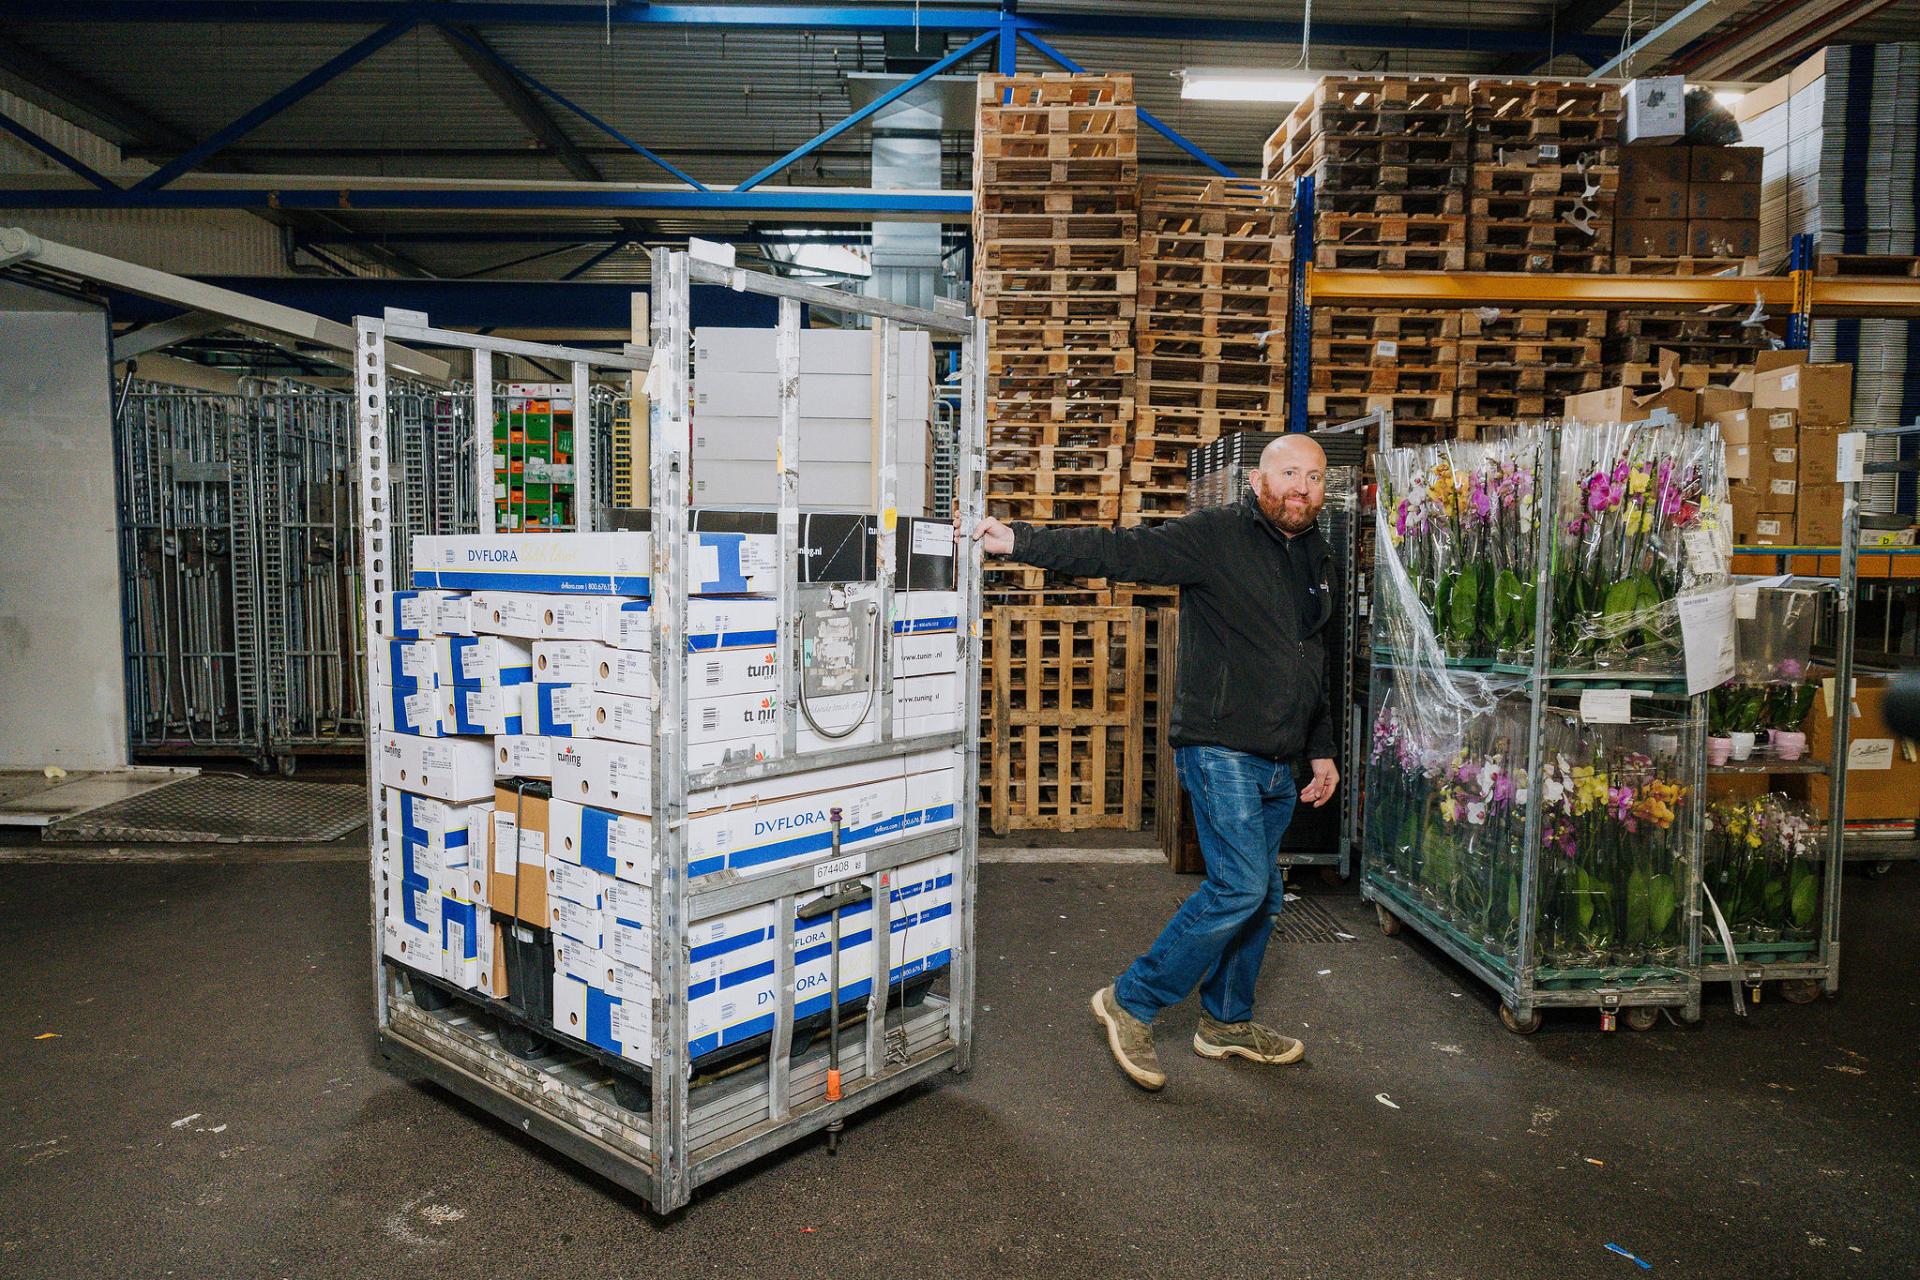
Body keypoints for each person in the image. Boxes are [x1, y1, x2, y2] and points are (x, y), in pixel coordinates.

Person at [961, 434, 1339, 1091]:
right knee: (1242, 886)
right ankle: (1131, 999)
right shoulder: (1215, 536)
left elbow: (1315, 655)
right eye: (1288, 473)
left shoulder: (1317, 554)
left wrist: (1322, 747)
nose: (1300, 486)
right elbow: (1121, 550)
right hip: (1220, 746)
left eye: (1313, 476)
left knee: (1264, 896)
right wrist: (1019, 540)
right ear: (1258, 480)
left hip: (1282, 758)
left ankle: (1224, 1023)